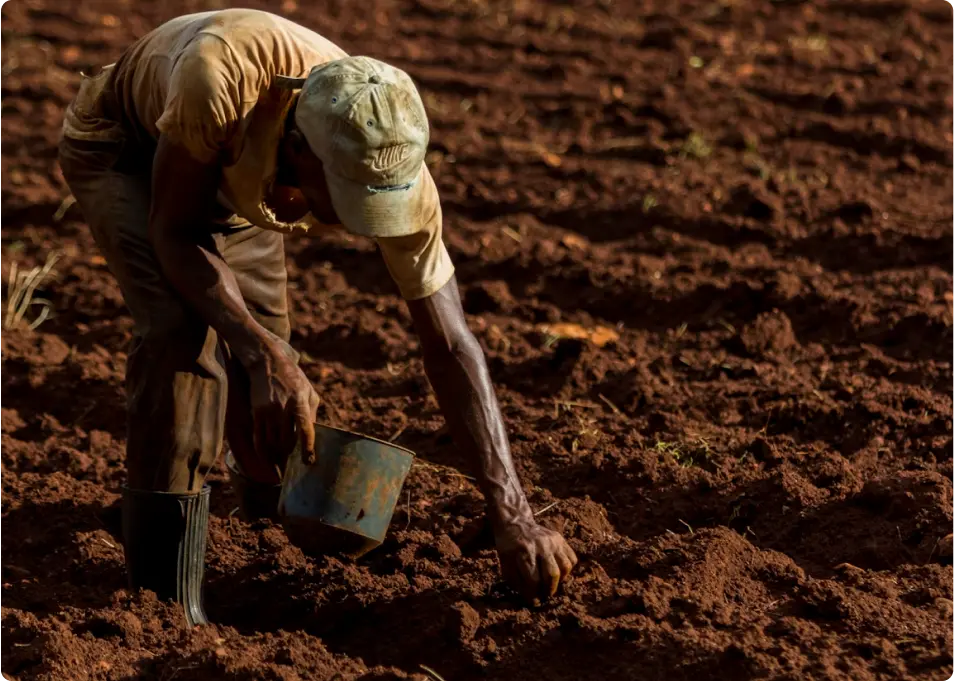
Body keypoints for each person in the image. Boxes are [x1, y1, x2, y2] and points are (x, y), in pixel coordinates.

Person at [58, 8, 577, 626]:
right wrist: (258, 351)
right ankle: (165, 601)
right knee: (184, 338)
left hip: (239, 180)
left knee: (269, 362)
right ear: (299, 148)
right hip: (127, 147)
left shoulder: (390, 153)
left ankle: (258, 542)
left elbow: (452, 343)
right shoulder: (219, 80)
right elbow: (174, 231)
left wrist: (512, 513)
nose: (358, 221)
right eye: (347, 196)